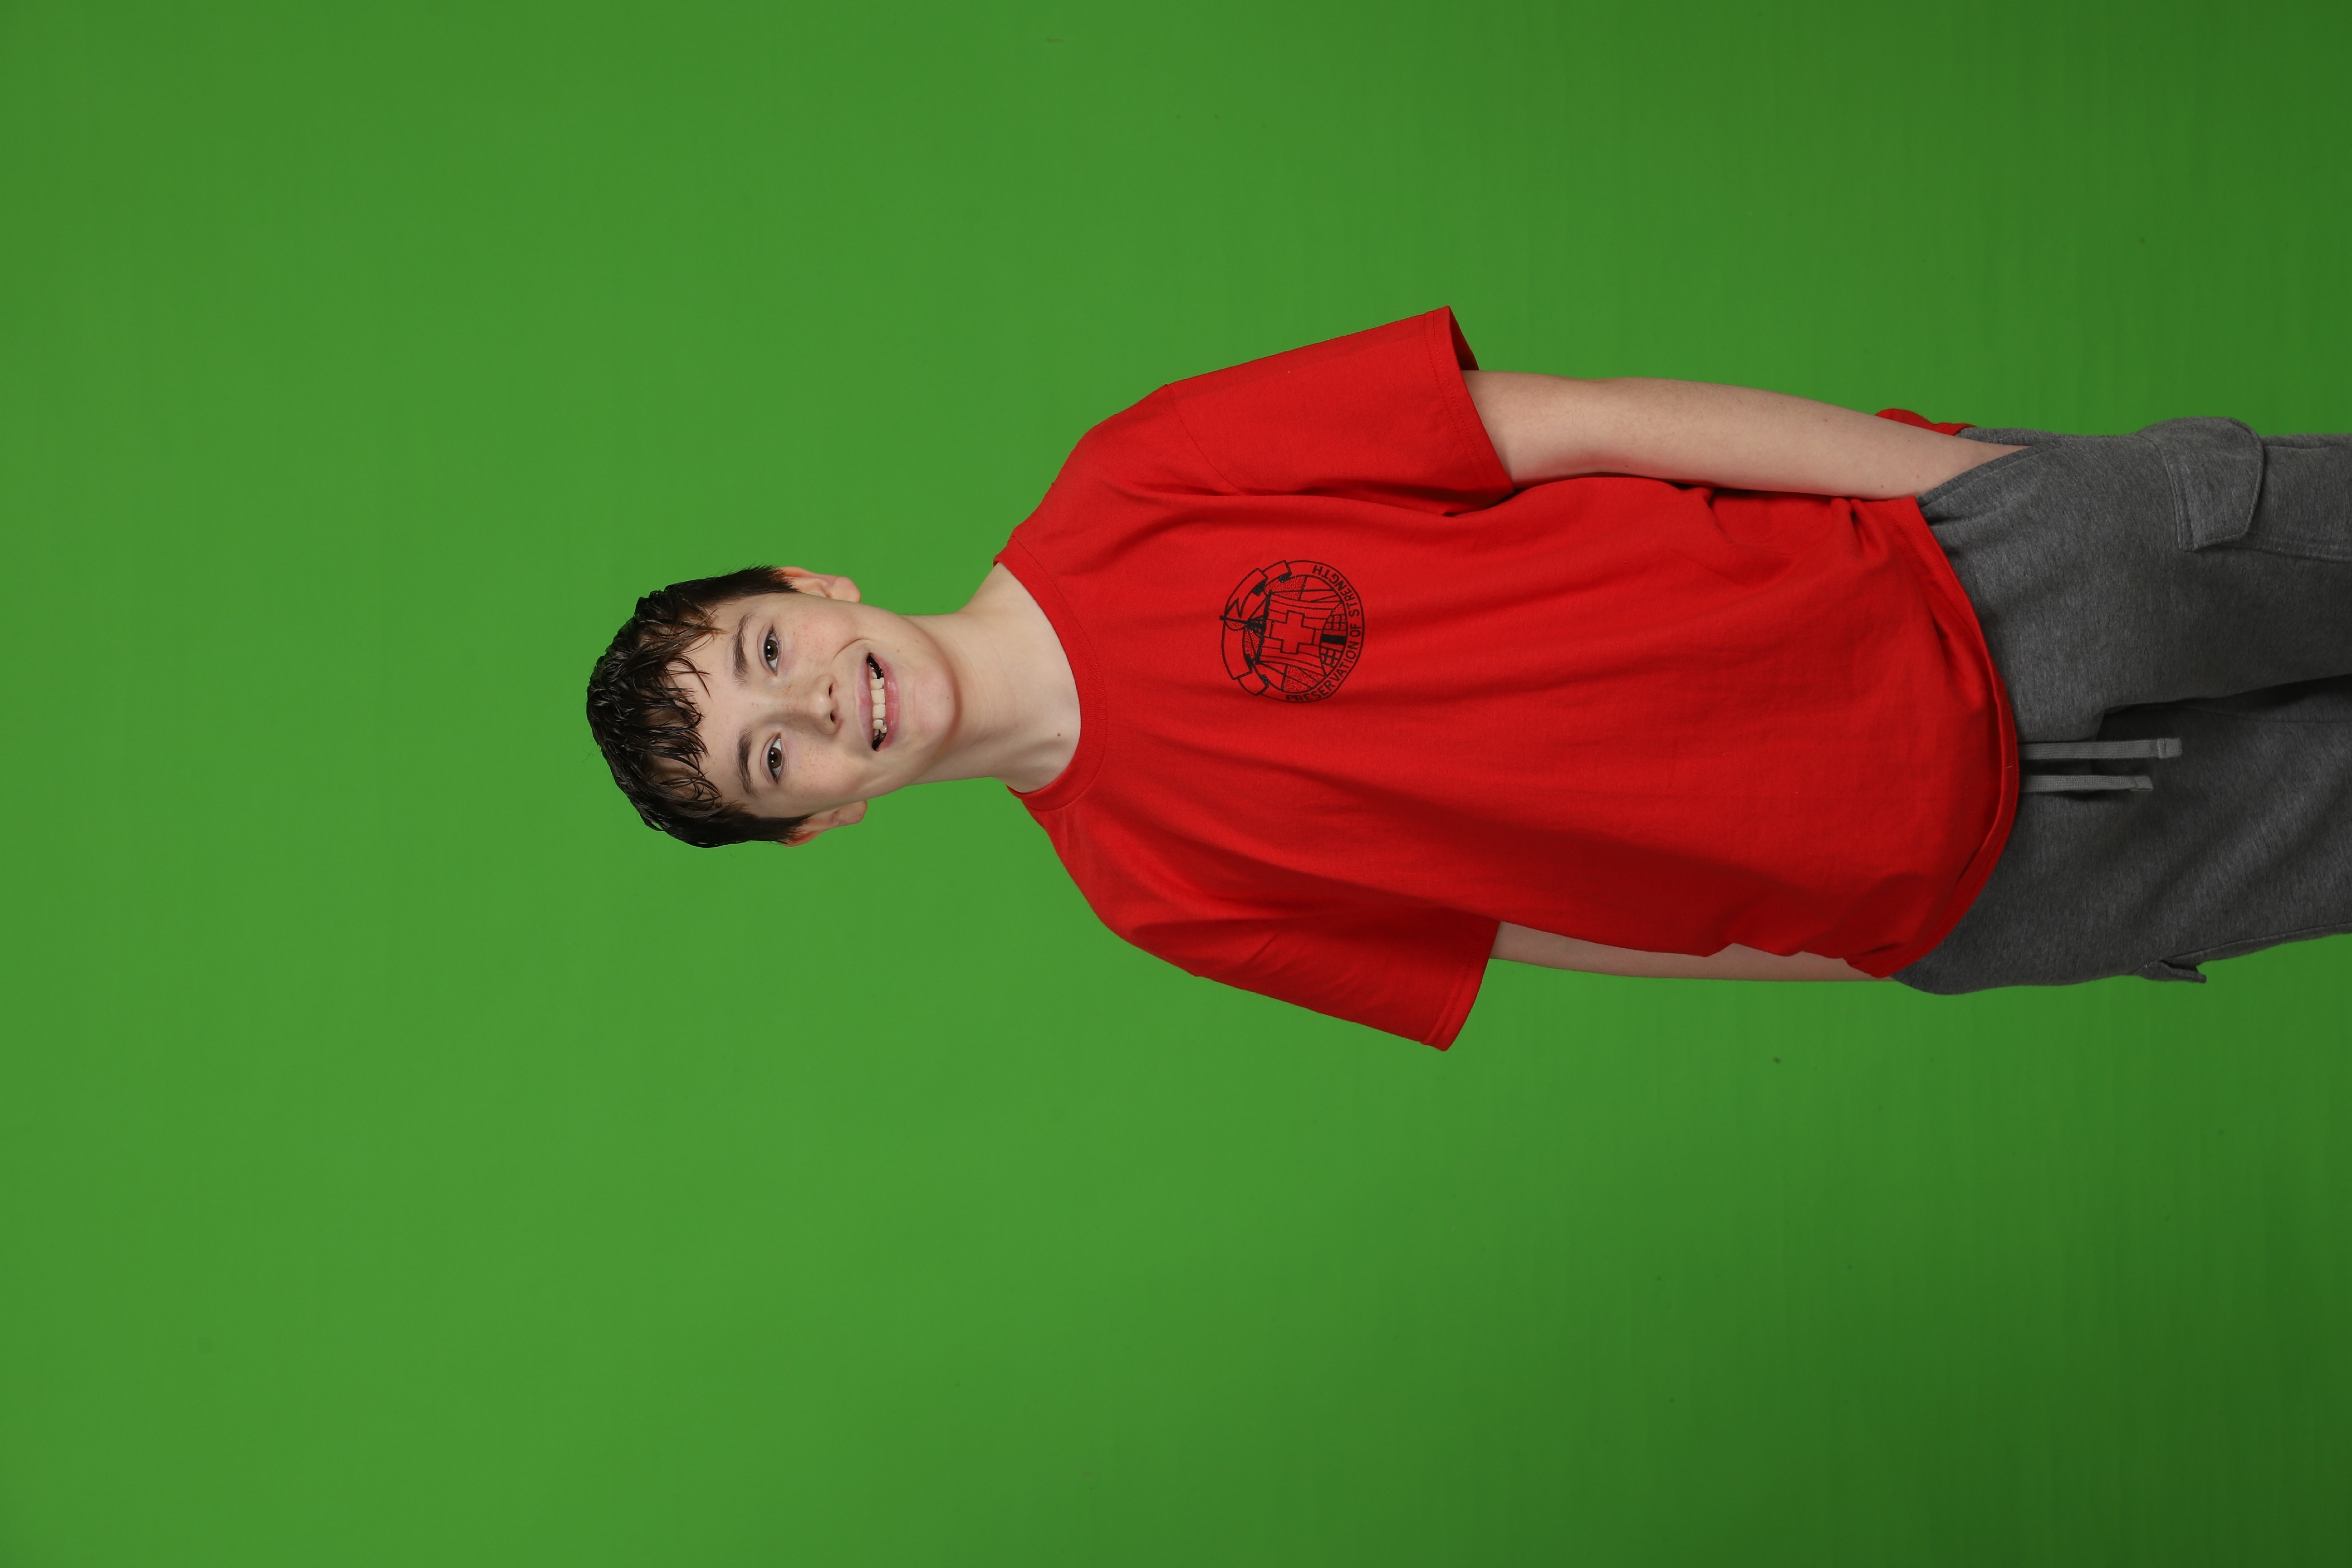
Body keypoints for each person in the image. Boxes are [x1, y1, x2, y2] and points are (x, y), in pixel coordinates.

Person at [585, 310, 2352, 1047]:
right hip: (1977, 884)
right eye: (771, 761)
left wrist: (1985, 494)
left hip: (1972, 583)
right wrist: (1848, 935)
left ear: (810, 586)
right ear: (819, 824)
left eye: (765, 655)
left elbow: (1572, 423)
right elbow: (1516, 933)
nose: (811, 706)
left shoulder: (1136, 479)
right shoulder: (1154, 897)